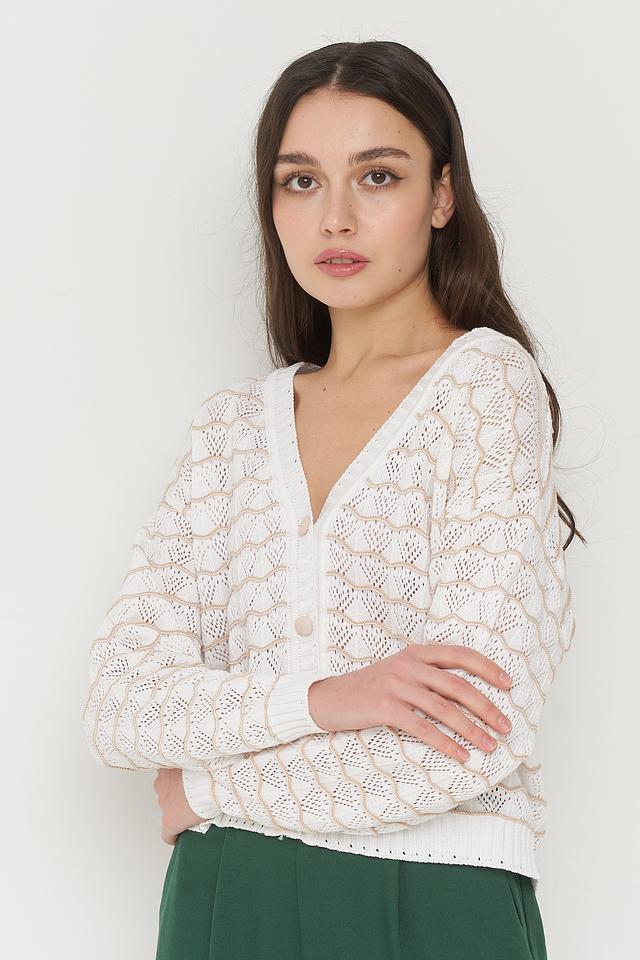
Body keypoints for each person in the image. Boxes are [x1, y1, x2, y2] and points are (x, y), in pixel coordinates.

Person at [82, 40, 581, 960]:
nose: (336, 217)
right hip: (226, 899)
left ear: (442, 195)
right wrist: (327, 699)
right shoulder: (232, 430)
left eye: (378, 176)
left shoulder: (485, 388)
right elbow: (120, 710)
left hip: (433, 894)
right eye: (301, 181)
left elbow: (471, 736)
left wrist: (207, 789)